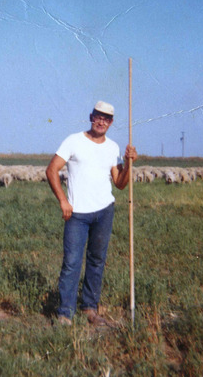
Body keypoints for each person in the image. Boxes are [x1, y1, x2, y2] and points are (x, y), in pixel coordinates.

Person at [45, 101, 137, 326]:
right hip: (77, 214)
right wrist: (63, 200)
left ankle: (90, 308)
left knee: (97, 260)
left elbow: (120, 183)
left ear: (111, 123)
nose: (101, 121)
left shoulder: (113, 147)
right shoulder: (73, 141)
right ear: (91, 117)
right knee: (72, 262)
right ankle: (65, 313)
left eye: (106, 118)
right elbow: (51, 169)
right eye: (98, 116)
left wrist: (128, 163)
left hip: (104, 211)